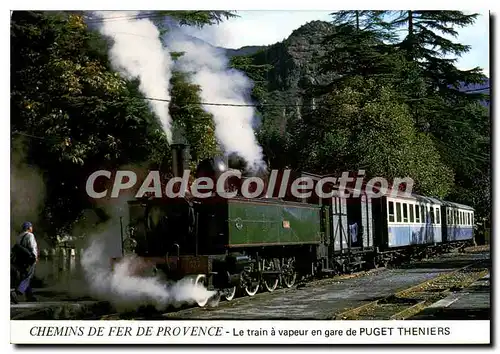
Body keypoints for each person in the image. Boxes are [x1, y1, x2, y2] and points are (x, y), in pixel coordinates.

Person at [11, 222, 38, 303]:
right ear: (29, 227)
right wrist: (35, 257)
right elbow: (32, 247)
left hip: (19, 260)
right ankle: (16, 293)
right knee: (28, 277)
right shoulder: (30, 235)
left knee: (25, 276)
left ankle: (30, 296)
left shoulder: (19, 236)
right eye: (31, 227)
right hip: (28, 259)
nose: (32, 228)